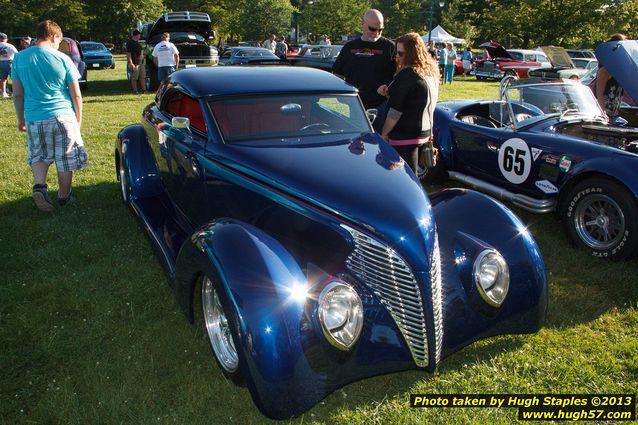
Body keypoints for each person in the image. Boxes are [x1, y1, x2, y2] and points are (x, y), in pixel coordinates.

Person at [11, 20, 87, 211]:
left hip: (35, 116)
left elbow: (18, 94)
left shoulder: (19, 59)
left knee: (39, 154)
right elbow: (76, 94)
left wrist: (21, 119)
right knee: (65, 159)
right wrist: (77, 120)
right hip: (63, 114)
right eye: (58, 41)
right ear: (54, 36)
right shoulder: (63, 58)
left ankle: (40, 186)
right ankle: (64, 196)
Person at [377, 32, 439, 174]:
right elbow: (421, 99)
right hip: (424, 132)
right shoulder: (430, 72)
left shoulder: (407, 74)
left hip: (404, 135)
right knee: (412, 176)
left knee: (404, 178)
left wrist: (384, 134)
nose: (396, 57)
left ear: (411, 54)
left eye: (400, 53)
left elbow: (395, 112)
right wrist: (390, 92)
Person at [332, 9, 395, 132]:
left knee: (378, 144)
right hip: (355, 105)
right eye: (372, 28)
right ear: (363, 23)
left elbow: (400, 75)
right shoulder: (349, 47)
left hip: (381, 105)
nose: (376, 33)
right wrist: (342, 96)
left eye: (380, 29)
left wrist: (389, 89)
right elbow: (337, 74)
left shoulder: (390, 47)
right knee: (356, 143)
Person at [595, 33, 628, 119]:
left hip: (614, 114)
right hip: (605, 115)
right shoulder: (605, 70)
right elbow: (599, 94)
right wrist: (603, 115)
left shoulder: (619, 69)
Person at [126, 30, 145, 94]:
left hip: (140, 63)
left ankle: (144, 90)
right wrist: (131, 63)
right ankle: (135, 90)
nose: (140, 36)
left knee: (142, 76)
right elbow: (128, 54)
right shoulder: (129, 43)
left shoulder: (138, 43)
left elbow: (141, 50)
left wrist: (142, 55)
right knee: (134, 77)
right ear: (136, 35)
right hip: (134, 63)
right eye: (139, 35)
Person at [0, 33, 18, 97]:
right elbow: (17, 54)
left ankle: (3, 93)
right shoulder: (10, 45)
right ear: (6, 39)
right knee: (14, 78)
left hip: (1, 63)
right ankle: (15, 92)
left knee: (3, 79)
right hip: (9, 62)